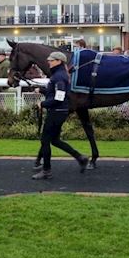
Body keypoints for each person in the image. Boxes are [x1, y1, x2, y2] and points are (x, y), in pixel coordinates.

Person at [31, 51, 88, 180]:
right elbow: (56, 93)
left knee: (45, 141)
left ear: (59, 61)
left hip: (56, 112)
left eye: (52, 60)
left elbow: (59, 98)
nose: (49, 62)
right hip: (59, 112)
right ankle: (80, 157)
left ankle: (46, 170)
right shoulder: (59, 75)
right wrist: (41, 90)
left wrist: (43, 104)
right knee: (55, 140)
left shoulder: (59, 76)